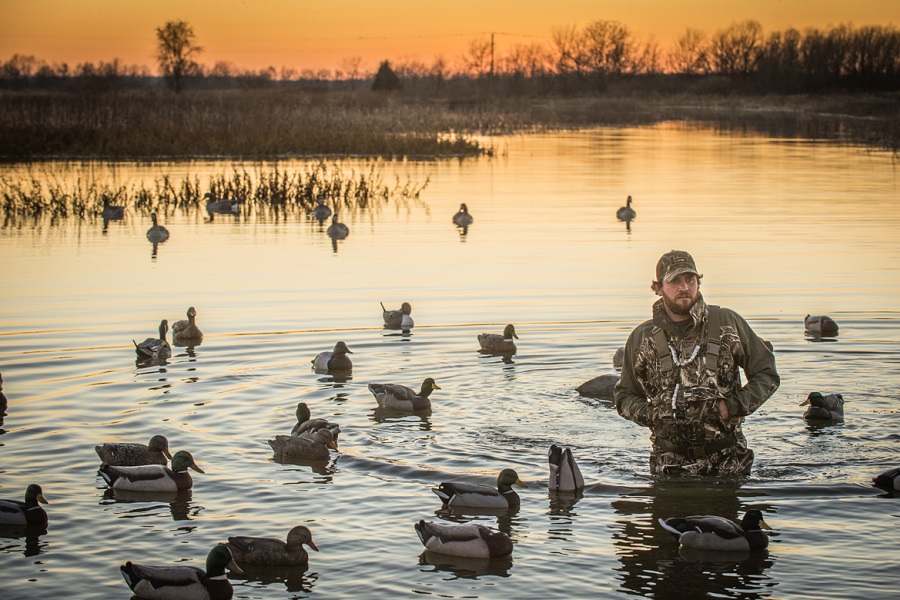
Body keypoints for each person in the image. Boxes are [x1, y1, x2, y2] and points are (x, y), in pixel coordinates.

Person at [614, 250, 779, 477]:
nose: (685, 287)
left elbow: (766, 374)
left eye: (690, 280)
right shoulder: (642, 338)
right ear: (658, 288)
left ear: (698, 283)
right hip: (668, 467)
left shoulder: (727, 323)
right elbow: (624, 397)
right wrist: (651, 413)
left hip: (728, 464)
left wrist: (732, 406)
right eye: (675, 281)